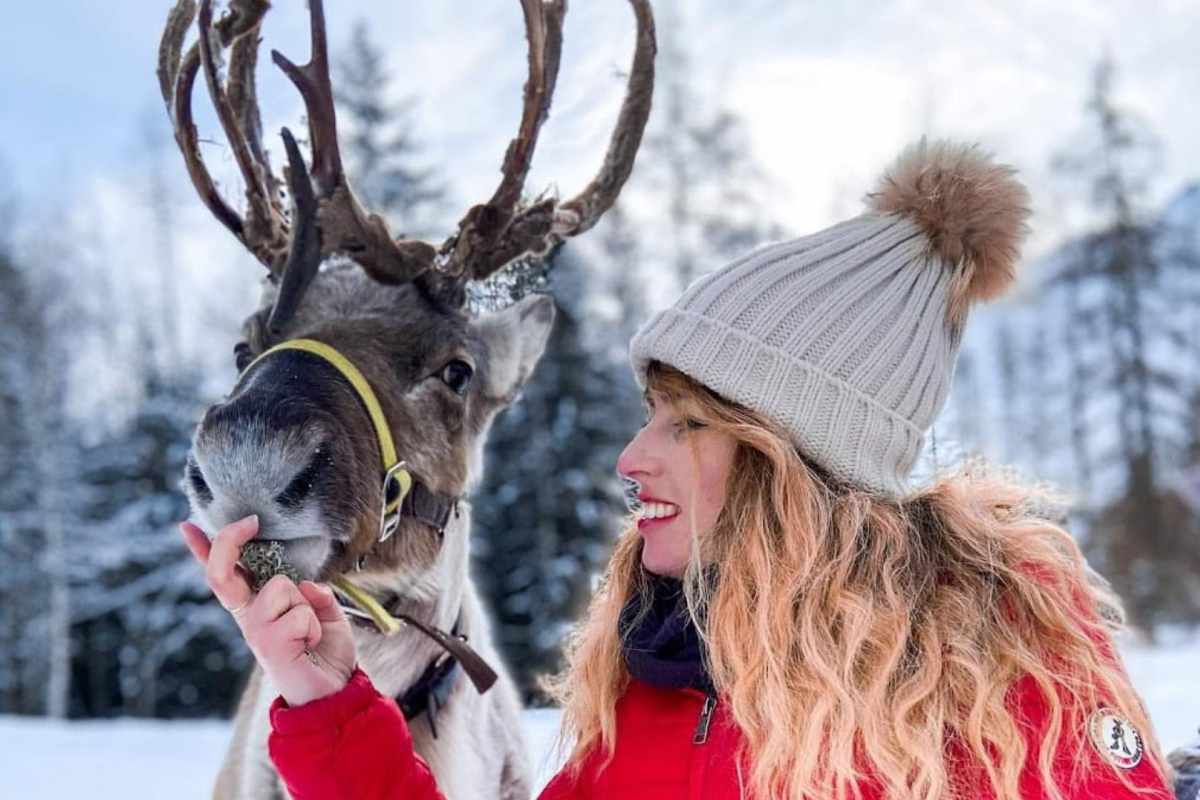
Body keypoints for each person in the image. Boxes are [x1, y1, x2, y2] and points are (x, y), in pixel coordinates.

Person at [182, 140, 1176, 800]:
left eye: (687, 423)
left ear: (796, 461)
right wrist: (324, 697)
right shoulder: (658, 679)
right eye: (647, 412)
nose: (631, 457)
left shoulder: (1008, 685)